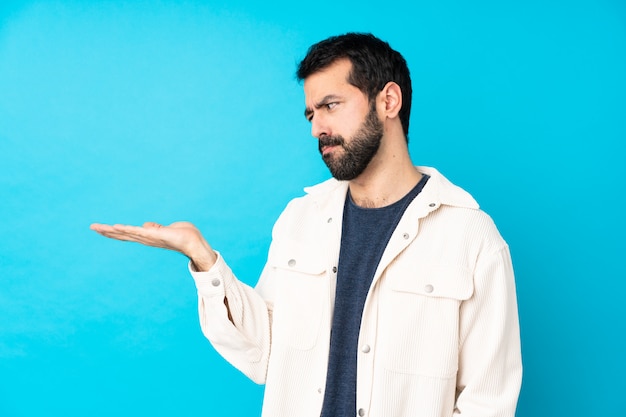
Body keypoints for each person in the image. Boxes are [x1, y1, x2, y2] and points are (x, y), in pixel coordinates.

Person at [91, 33, 522, 417]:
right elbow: (263, 353)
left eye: (331, 105)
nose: (317, 127)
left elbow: (489, 401)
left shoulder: (471, 237)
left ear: (388, 101)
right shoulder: (301, 219)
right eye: (310, 114)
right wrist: (203, 259)